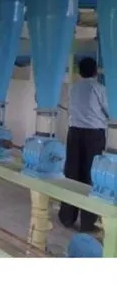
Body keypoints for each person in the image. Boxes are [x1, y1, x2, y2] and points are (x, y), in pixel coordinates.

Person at [58, 56, 108, 233]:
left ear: (79, 71)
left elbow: (69, 108)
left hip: (74, 133)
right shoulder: (99, 89)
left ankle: (66, 217)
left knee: (72, 173)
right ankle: (88, 223)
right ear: (95, 71)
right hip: (93, 135)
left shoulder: (73, 88)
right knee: (91, 176)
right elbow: (111, 111)